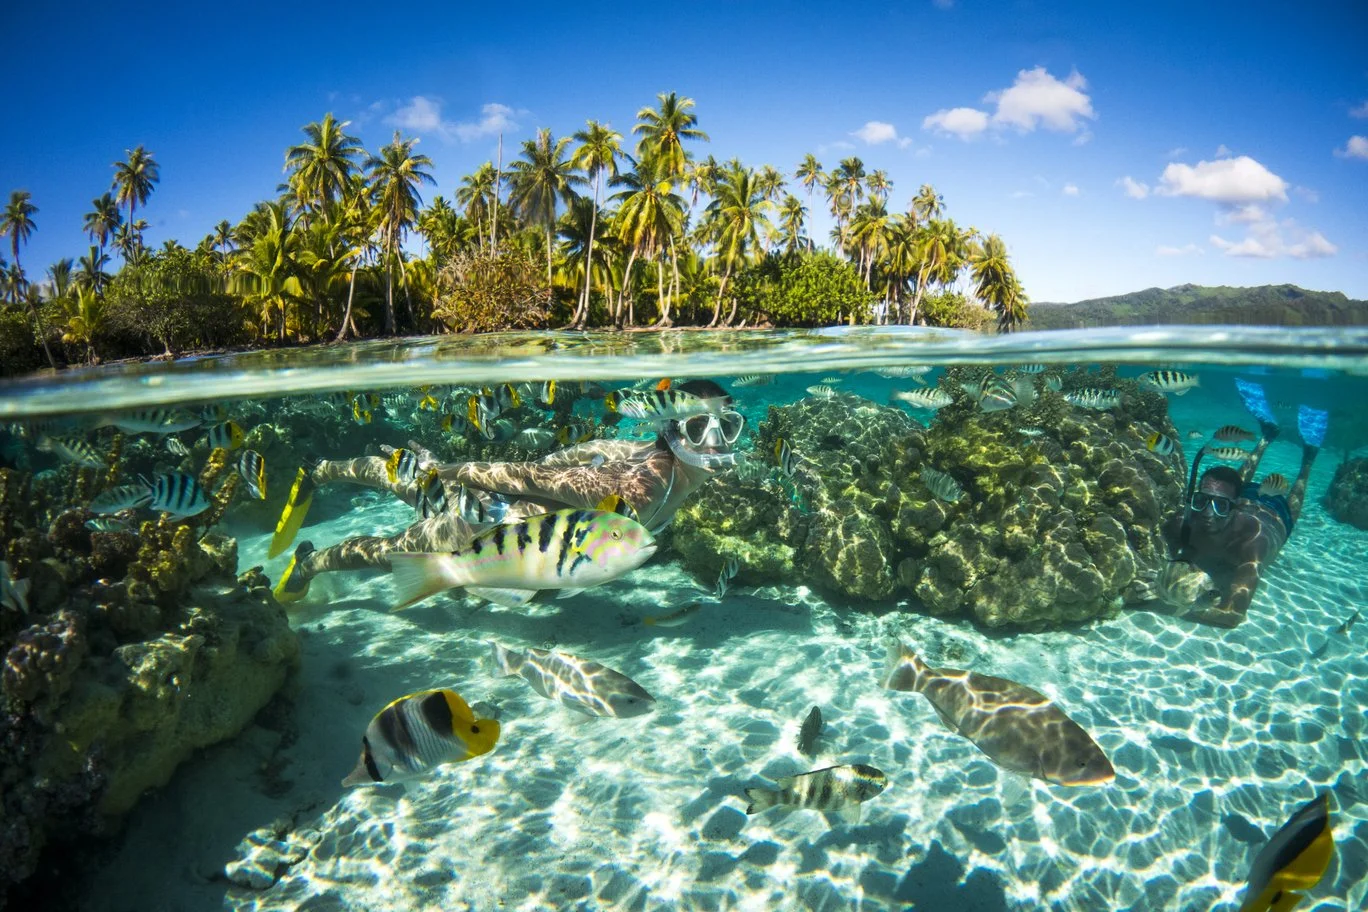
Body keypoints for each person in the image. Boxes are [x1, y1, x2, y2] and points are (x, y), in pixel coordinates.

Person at [271, 379, 744, 603]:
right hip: (486, 526)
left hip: (506, 528)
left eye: (728, 426)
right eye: (700, 426)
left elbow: (576, 454)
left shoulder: (641, 449)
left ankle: (320, 471)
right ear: (672, 427)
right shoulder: (644, 489)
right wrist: (451, 471)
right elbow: (532, 477)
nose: (715, 442)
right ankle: (310, 561)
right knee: (393, 548)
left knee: (410, 484)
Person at [1158, 381, 1326, 628]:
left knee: (1292, 506)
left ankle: (1308, 458)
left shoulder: (1252, 544)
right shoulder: (1185, 522)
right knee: (1227, 483)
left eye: (1219, 507)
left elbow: (1232, 615)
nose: (1207, 513)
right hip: (1238, 500)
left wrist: (1177, 608)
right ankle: (1266, 437)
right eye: (1201, 501)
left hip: (1274, 516)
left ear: (1234, 507)